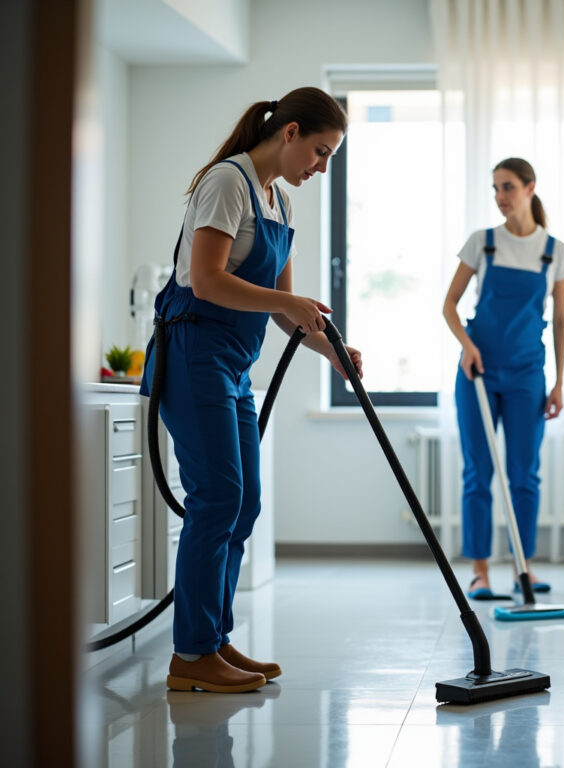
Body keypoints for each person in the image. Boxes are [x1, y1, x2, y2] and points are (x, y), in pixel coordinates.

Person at [140, 87, 363, 693]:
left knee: (245, 502)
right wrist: (292, 303)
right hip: (194, 353)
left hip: (235, 366)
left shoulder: (279, 202)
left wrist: (333, 354)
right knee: (217, 498)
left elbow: (284, 310)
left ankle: (213, 639)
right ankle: (191, 654)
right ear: (289, 133)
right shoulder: (227, 182)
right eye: (320, 152)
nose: (321, 167)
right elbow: (208, 281)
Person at [442, 157, 564, 599]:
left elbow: (560, 321)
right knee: (478, 472)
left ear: (530, 188)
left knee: (524, 474)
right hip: (477, 372)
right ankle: (480, 571)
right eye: (495, 188)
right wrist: (467, 345)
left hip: (527, 375)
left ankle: (524, 568)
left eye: (508, 187)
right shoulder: (482, 243)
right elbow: (449, 305)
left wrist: (558, 382)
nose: (500, 196)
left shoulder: (554, 251)